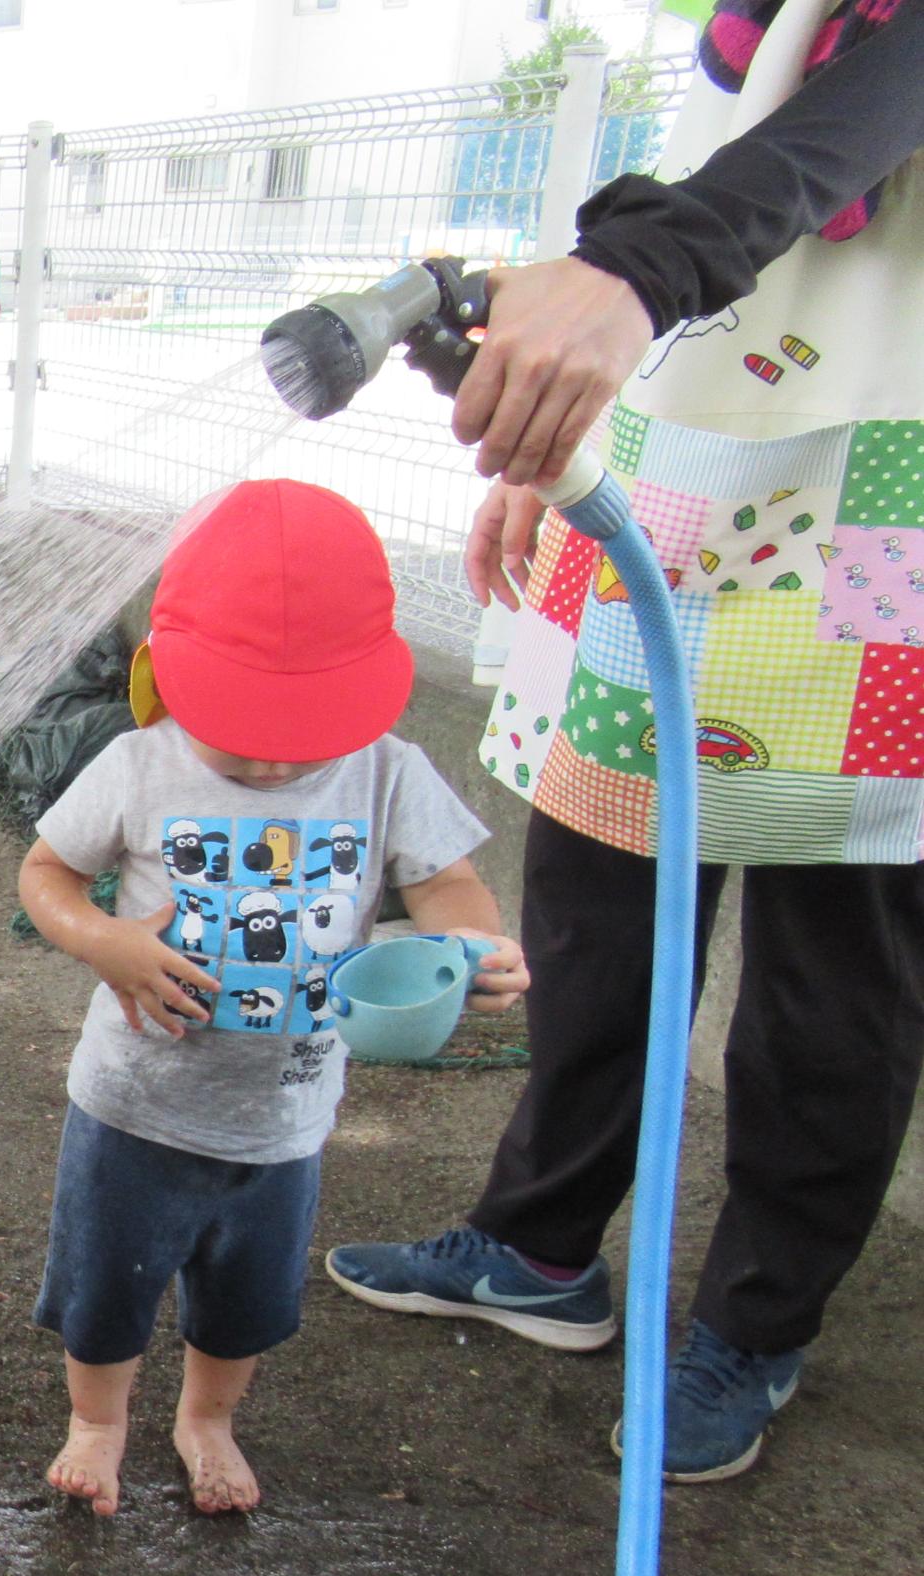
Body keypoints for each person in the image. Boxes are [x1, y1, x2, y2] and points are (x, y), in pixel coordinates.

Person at [327, 0, 924, 1481]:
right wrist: (560, 446)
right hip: (667, 484)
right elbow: (731, 169)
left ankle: (755, 1323)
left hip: (882, 507)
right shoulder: (766, 19)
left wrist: (625, 275)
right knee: (595, 903)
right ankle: (541, 1247)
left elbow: (829, 144)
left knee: (830, 969)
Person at [17, 481, 531, 1517]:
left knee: (244, 1303)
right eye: (240, 726)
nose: (268, 755)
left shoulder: (383, 771)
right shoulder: (136, 766)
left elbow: (444, 885)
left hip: (285, 1117)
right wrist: (103, 941)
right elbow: (44, 875)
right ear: (164, 673)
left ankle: (206, 1417)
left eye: (300, 730)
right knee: (104, 1287)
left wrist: (470, 947)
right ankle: (97, 1420)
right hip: (134, 1102)